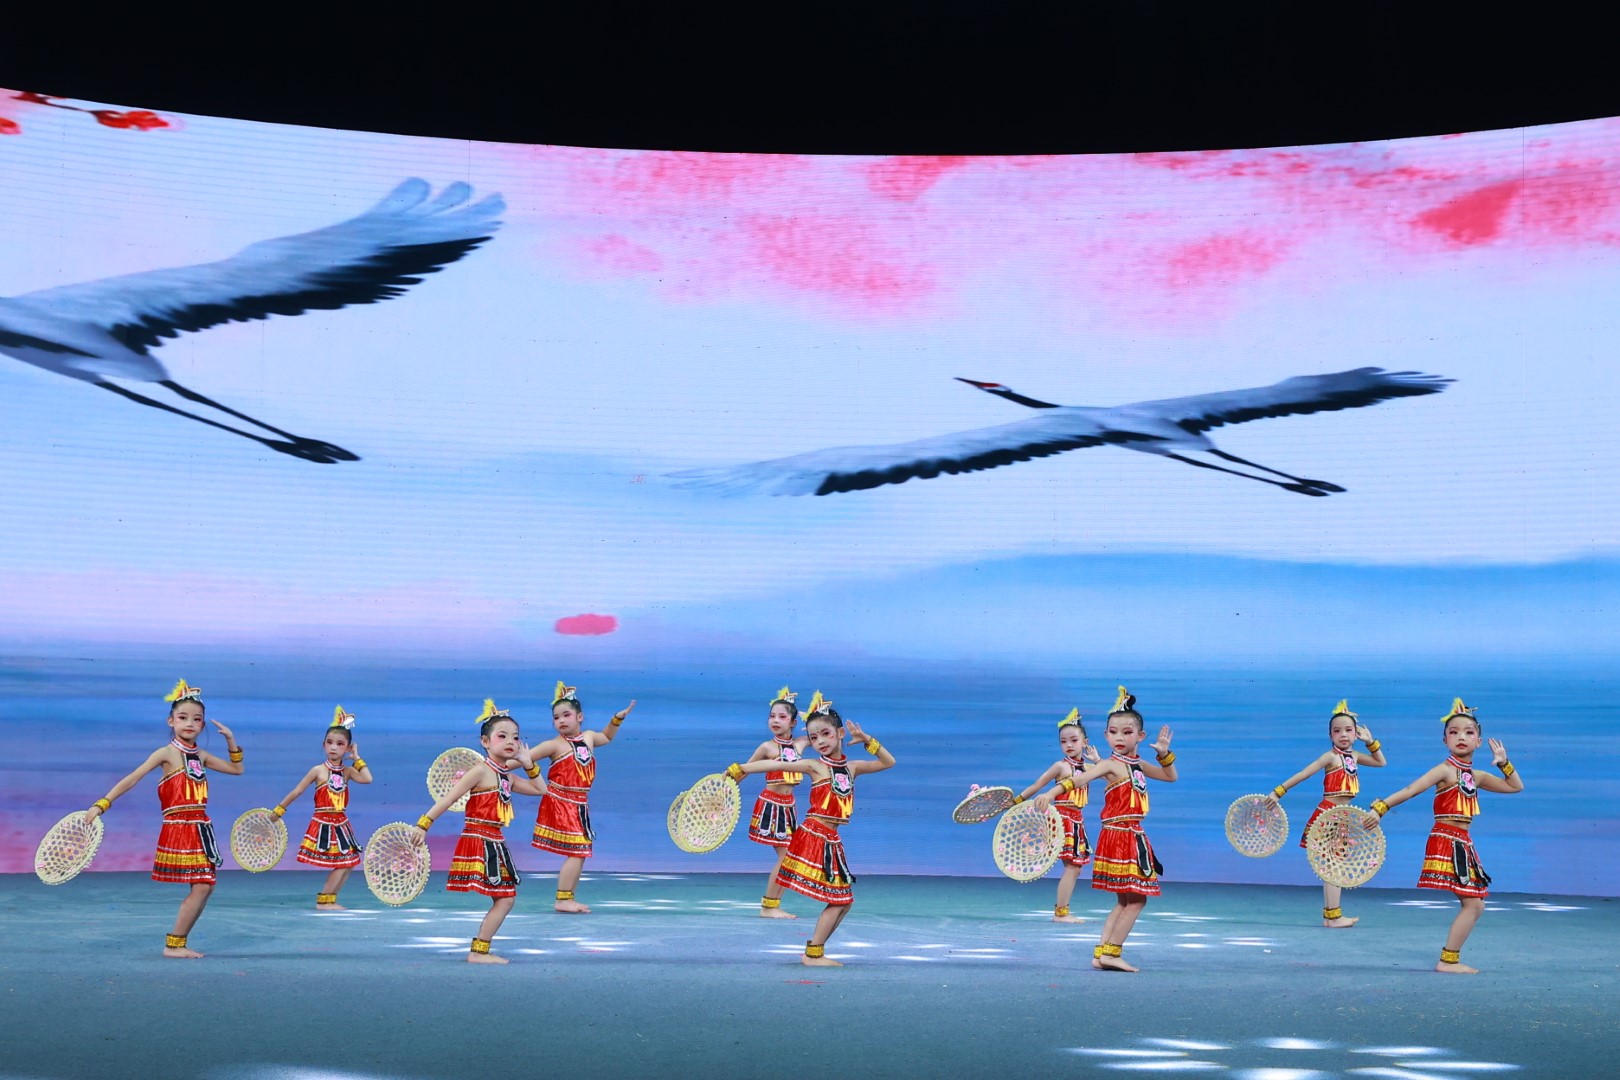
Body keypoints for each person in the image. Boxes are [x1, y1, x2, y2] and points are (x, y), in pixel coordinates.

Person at [726, 695, 895, 966]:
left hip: (831, 840)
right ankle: (812, 953)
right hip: (815, 836)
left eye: (826, 734)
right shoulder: (815, 766)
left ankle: (814, 952)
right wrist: (741, 768)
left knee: (845, 901)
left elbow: (888, 762)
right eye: (814, 738)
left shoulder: (852, 768)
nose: (820, 742)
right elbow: (776, 764)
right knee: (839, 900)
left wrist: (867, 740)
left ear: (840, 733)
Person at [84, 679, 243, 958]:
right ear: (171, 721)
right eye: (183, 717)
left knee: (205, 887)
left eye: (197, 719)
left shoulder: (201, 755)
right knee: (203, 885)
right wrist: (102, 804)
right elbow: (132, 778)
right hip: (180, 827)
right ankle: (174, 945)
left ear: (202, 725)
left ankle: (177, 944)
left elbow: (237, 770)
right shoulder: (166, 753)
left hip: (200, 827)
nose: (190, 723)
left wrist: (230, 739)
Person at [1365, 698, 1523, 973]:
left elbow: (1515, 786)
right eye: (1454, 732)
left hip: (1463, 842)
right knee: (1474, 904)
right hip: (1448, 839)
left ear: (1478, 741)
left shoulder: (1476, 775)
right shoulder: (1444, 770)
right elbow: (1411, 790)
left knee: (1475, 905)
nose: (1461, 737)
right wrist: (1381, 808)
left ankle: (1449, 959)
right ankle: (1448, 961)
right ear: (1444, 739)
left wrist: (1504, 763)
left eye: (1468, 732)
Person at [1036, 687, 1174, 972]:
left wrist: (1164, 754)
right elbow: (1078, 779)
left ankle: (1102, 954)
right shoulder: (1111, 764)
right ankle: (1112, 953)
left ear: (1140, 736)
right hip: (1122, 836)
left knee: (1126, 900)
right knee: (1137, 900)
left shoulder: (1137, 764)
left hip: (1128, 834)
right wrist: (1051, 793)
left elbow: (1169, 776)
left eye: (1126, 732)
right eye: (1113, 732)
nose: (1119, 738)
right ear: (1106, 735)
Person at [412, 699, 547, 963]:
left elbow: (540, 789)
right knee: (505, 899)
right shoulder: (480, 771)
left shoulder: (507, 776)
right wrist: (423, 824)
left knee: (505, 899)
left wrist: (528, 762)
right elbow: (449, 798)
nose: (510, 741)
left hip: (495, 841)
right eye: (502, 736)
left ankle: (479, 950)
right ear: (485, 742)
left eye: (515, 737)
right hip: (480, 840)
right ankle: (478, 951)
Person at [1266, 699, 1385, 926]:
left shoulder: (1354, 756)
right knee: (1333, 866)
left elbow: (1381, 762)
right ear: (1330, 735)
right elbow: (1304, 773)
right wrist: (1278, 792)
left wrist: (1371, 742)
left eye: (1348, 730)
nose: (1343, 735)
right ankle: (1333, 916)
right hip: (1329, 815)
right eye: (1337, 731)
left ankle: (1332, 916)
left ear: (1356, 734)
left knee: (1334, 865)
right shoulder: (1330, 757)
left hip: (1343, 816)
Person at [530, 681, 635, 913]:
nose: (561, 721)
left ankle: (567, 898)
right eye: (556, 718)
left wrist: (617, 719)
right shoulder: (553, 745)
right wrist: (495, 765)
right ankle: (562, 900)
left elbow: (606, 737)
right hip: (561, 801)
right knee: (578, 851)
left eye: (566, 715)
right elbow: (524, 758)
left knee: (581, 852)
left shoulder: (588, 737)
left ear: (580, 717)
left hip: (578, 804)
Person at [271, 706, 373, 909]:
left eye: (340, 744)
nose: (334, 747)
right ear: (324, 744)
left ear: (348, 748)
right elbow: (297, 791)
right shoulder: (318, 770)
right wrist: (279, 810)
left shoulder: (347, 772)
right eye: (330, 742)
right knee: (344, 862)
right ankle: (324, 900)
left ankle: (330, 899)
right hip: (324, 823)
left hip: (341, 823)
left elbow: (368, 778)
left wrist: (357, 757)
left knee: (351, 862)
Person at [1012, 707, 1100, 922]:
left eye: (1074, 740)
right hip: (1062, 820)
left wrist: (1098, 761)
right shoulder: (1060, 766)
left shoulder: (1090, 768)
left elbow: (1113, 777)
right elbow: (1037, 785)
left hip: (1077, 821)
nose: (1068, 745)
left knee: (1075, 869)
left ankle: (1062, 911)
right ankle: (1061, 913)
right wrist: (1016, 802)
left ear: (1085, 742)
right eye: (1063, 741)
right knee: (1073, 867)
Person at [742, 687, 811, 918]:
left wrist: (814, 718)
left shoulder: (800, 744)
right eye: (772, 716)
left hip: (788, 807)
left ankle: (772, 905)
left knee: (790, 857)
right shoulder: (767, 747)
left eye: (782, 716)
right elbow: (745, 769)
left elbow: (824, 733)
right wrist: (725, 786)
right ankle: (769, 907)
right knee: (787, 856)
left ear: (793, 722)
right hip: (771, 807)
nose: (775, 720)